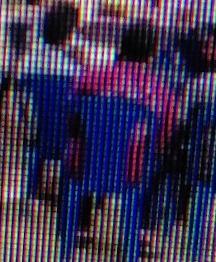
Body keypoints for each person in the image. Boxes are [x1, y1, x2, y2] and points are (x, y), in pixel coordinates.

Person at [69, 23, 180, 254]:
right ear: (152, 54)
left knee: (80, 145)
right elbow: (165, 134)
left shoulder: (93, 77)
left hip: (87, 162)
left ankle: (81, 225)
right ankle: (145, 231)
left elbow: (73, 115)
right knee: (163, 165)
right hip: (133, 169)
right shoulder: (161, 90)